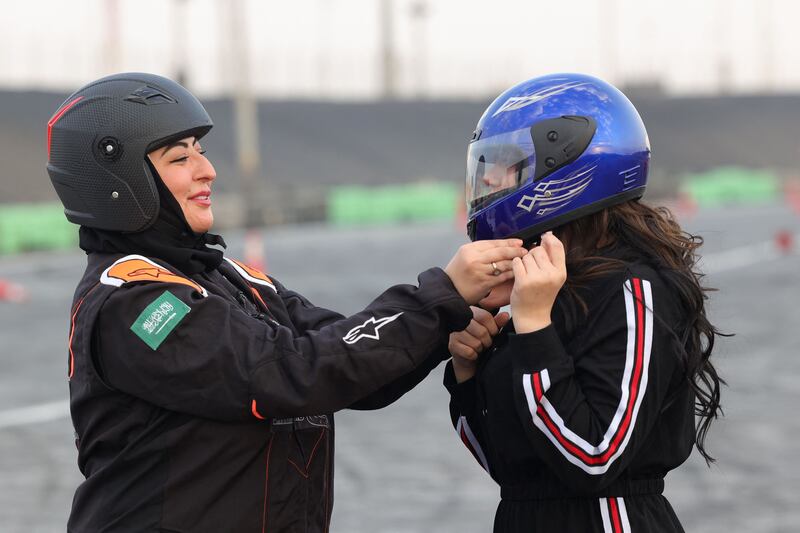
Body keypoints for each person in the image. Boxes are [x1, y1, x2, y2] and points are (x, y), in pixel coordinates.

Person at [46, 72, 527, 532]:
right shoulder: (132, 303)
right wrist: (438, 297)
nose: (208, 170)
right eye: (180, 159)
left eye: (201, 152)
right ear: (121, 181)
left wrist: (452, 319)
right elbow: (289, 374)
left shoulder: (231, 278)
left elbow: (350, 368)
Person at [444, 73, 724, 532]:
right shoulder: (547, 283)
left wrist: (534, 327)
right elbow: (511, 468)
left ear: (566, 162)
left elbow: (593, 459)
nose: (490, 182)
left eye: (507, 168)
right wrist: (467, 373)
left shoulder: (635, 290)